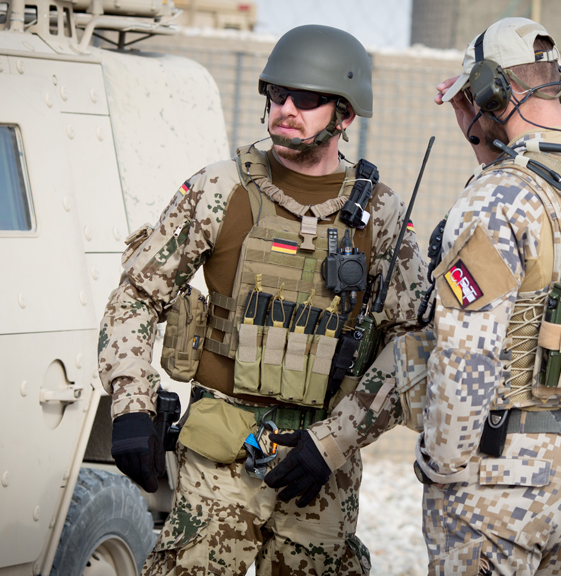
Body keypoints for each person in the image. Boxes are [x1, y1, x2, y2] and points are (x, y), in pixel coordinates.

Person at [98, 24, 428, 575]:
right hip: (218, 446)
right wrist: (131, 403)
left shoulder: (384, 217)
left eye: (307, 99)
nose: (285, 109)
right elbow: (135, 296)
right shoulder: (218, 189)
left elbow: (413, 344)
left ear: (345, 116)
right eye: (277, 95)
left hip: (318, 462)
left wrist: (335, 441)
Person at [415, 17, 561, 575]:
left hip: (503, 477)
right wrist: (482, 129)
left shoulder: (500, 194)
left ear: (493, 91)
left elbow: (466, 356)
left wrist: (441, 465)